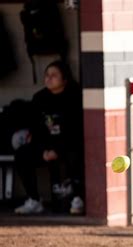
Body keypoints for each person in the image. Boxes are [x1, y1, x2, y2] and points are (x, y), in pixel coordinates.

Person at [14, 60, 84, 215]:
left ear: (65, 79)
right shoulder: (39, 98)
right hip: (46, 145)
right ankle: (34, 200)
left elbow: (75, 131)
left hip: (69, 145)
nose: (49, 79)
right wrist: (44, 150)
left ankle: (77, 198)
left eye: (54, 75)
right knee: (22, 154)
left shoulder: (74, 96)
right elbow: (36, 129)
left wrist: (58, 150)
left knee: (75, 154)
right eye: (46, 75)